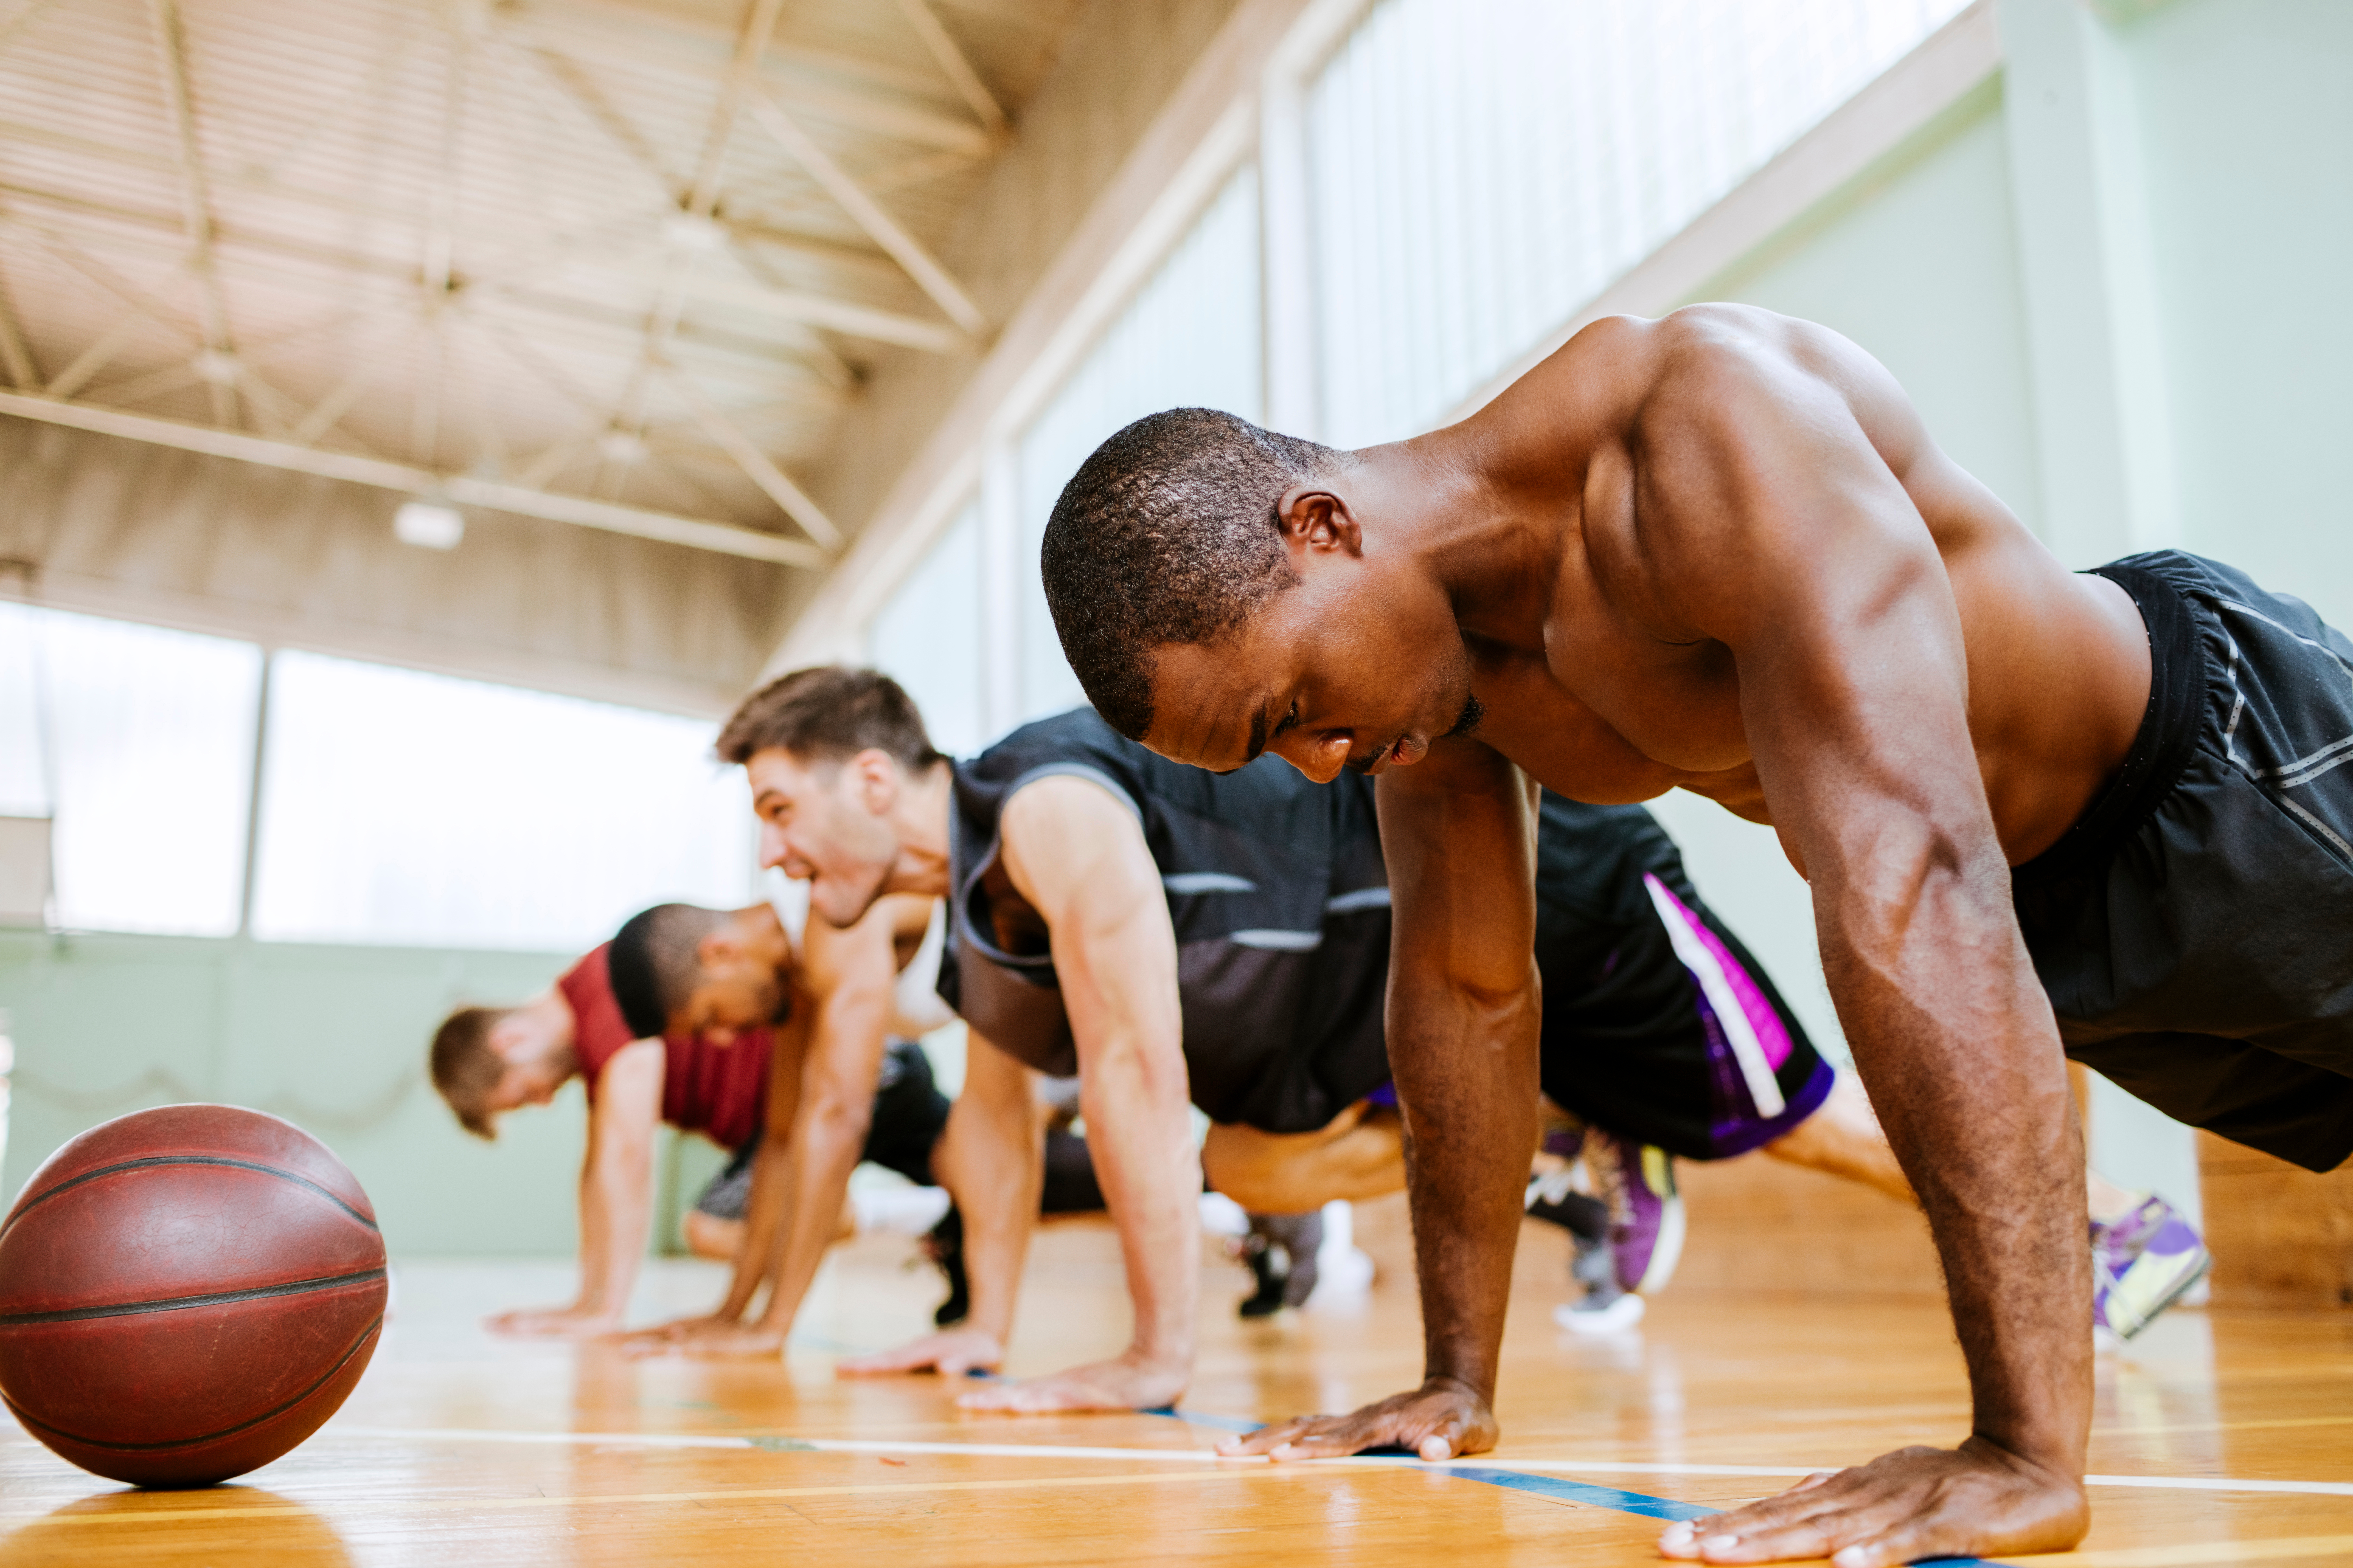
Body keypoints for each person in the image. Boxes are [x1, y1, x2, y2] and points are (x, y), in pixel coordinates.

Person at [1034, 302, 2353, 1565]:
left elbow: (1912, 874)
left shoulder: (1699, 434)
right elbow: (1464, 990)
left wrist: (2020, 1446)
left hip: (2221, 762)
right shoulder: (1432, 684)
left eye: (1292, 711)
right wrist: (1453, 1377)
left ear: (1319, 528)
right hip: (2058, 934)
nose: (1320, 767)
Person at [634, 670, 2188, 1399]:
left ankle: (2117, 1227)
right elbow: (990, 1119)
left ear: (869, 778)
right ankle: (1573, 1152)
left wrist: (1153, 1353)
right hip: (1408, 994)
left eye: (778, 809)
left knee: (1791, 1122)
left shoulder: (1044, 806)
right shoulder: (970, 920)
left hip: (1549, 879)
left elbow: (1128, 1070)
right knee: (1259, 1166)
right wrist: (977, 1326)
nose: (771, 855)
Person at [428, 928, 789, 1336]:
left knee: (708, 1229)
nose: (545, 1102)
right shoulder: (587, 1030)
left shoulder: (608, 993)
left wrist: (610, 1314)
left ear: (510, 1040)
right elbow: (598, 1169)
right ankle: (839, 1213)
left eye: (527, 1093)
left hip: (789, 1110)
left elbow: (629, 1157)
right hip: (764, 1138)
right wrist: (585, 1303)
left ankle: (850, 1214)